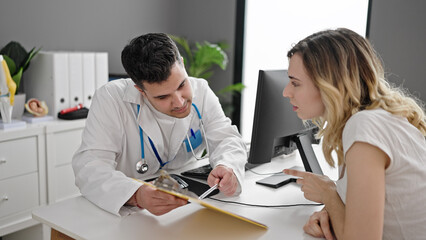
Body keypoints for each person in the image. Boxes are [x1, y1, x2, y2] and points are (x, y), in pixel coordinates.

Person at [72, 33, 247, 216]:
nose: (179, 102)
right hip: (129, 212)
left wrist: (228, 166)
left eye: (181, 85)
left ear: (182, 62)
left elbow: (225, 137)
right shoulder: (111, 99)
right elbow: (90, 167)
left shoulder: (201, 90)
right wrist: (136, 195)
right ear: (140, 89)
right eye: (162, 97)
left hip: (187, 207)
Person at [282, 28, 426, 239]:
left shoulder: (365, 126)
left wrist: (329, 195)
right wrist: (330, 210)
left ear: (329, 85)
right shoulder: (376, 117)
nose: (286, 92)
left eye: (295, 83)